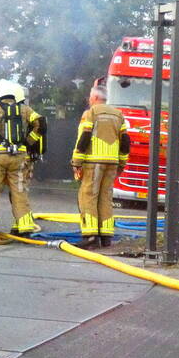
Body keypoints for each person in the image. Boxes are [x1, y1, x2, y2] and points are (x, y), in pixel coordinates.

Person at [0, 79, 45, 238]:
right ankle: (25, 227)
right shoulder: (25, 109)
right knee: (19, 192)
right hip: (19, 157)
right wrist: (28, 142)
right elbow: (41, 124)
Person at [70, 84, 129, 249]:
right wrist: (122, 163)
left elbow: (84, 137)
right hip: (112, 163)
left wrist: (76, 162)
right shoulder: (118, 115)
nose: (89, 99)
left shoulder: (91, 113)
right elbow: (125, 142)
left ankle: (90, 237)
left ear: (95, 98)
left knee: (88, 196)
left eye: (90, 96)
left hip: (93, 161)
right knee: (105, 197)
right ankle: (106, 237)